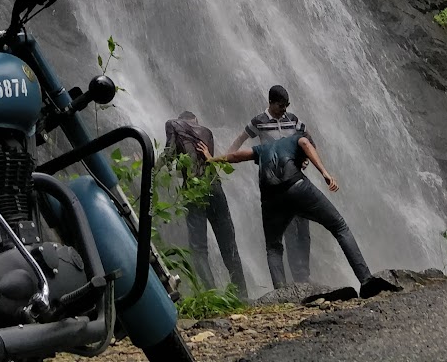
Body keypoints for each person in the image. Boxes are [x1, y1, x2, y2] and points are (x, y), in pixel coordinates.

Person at [201, 129, 394, 298]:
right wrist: (325, 173)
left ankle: (281, 295)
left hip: (271, 199)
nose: (305, 163)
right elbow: (304, 143)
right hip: (297, 187)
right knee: (339, 226)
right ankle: (366, 280)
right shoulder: (299, 139)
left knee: (274, 248)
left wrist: (211, 159)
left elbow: (237, 156)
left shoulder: (264, 148)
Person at [228, 84, 310, 283]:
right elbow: (242, 138)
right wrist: (228, 157)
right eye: (281, 105)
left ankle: (305, 275)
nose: (284, 109)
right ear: (271, 103)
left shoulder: (293, 120)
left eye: (287, 105)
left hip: (297, 178)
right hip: (276, 184)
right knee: (290, 229)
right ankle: (300, 279)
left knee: (304, 231)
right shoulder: (259, 121)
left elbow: (305, 138)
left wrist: (305, 156)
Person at [163, 111, 248, 298]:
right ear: (196, 121)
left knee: (199, 249)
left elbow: (169, 156)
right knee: (229, 244)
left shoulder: (173, 125)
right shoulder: (207, 132)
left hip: (194, 192)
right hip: (214, 188)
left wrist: (151, 169)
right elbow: (205, 163)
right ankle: (242, 295)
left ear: (180, 120)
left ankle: (212, 296)